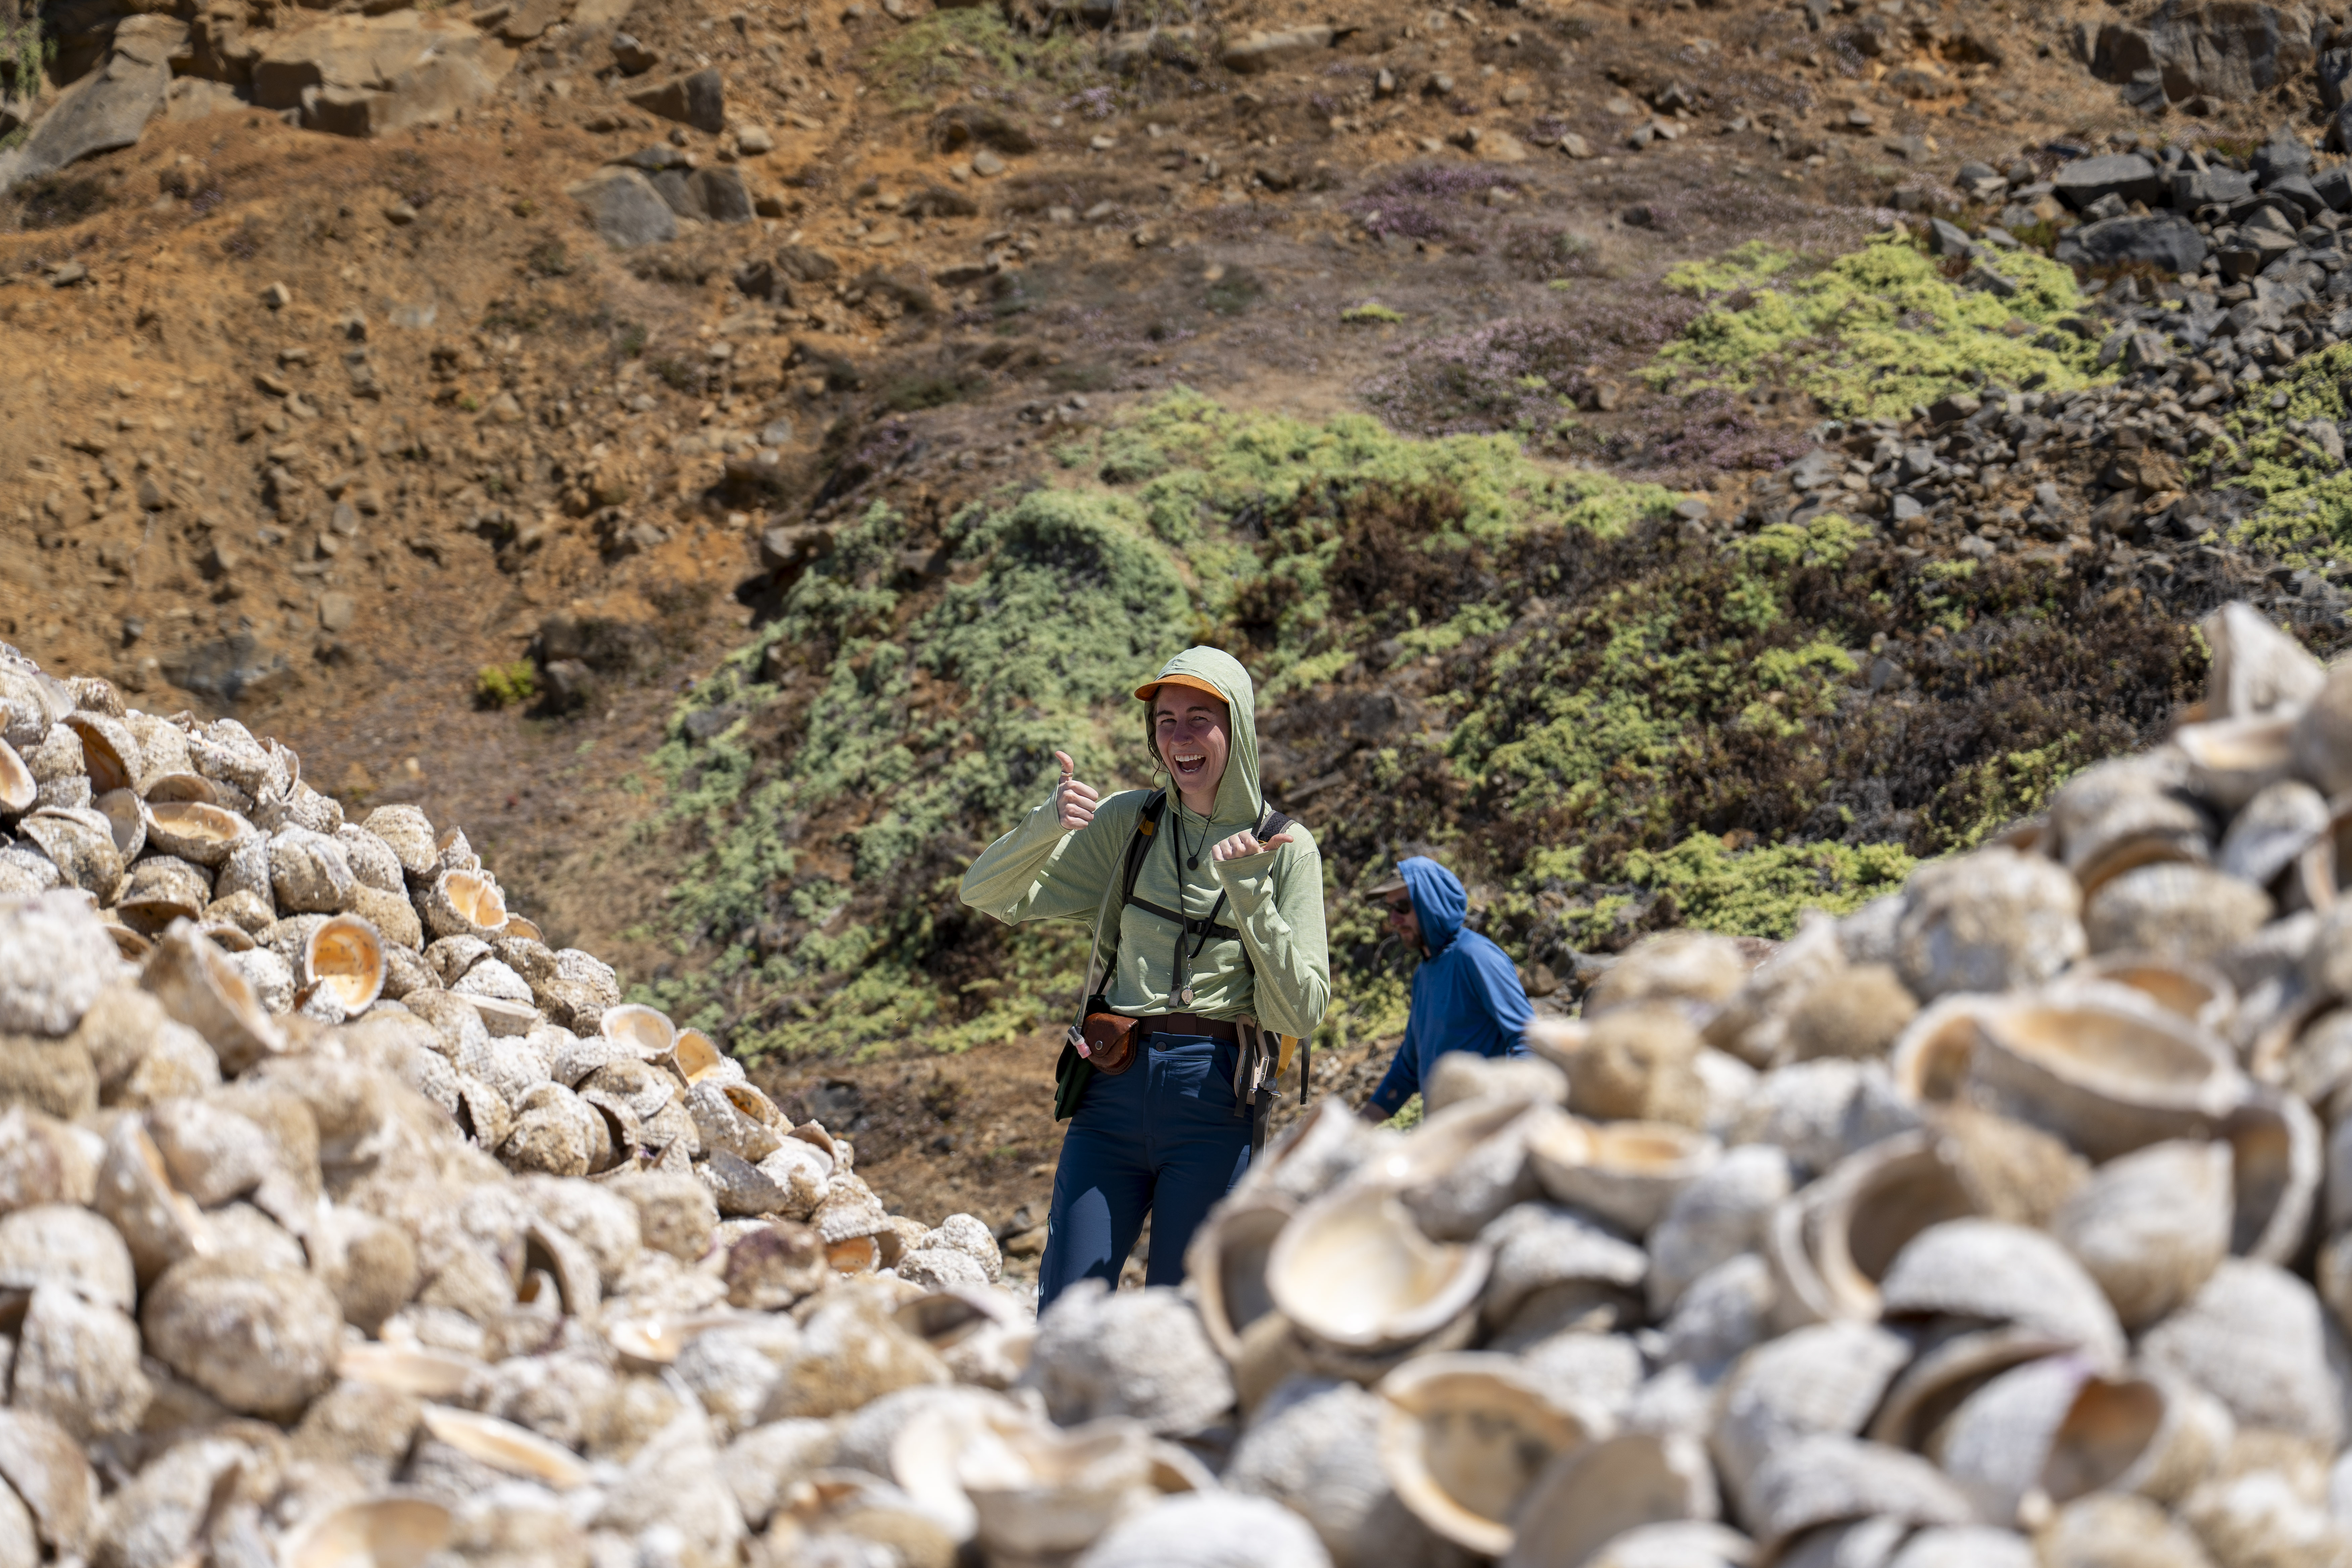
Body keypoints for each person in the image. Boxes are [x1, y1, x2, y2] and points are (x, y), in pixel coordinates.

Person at [959, 647, 1331, 1307]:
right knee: (1065, 1312)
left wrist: (1252, 898)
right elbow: (987, 891)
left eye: (1199, 718)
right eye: (1165, 721)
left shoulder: (1287, 848)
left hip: (1217, 1101)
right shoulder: (1133, 821)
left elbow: (1301, 1013)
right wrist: (1046, 825)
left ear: (1237, 727)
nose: (1180, 739)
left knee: (1183, 1317)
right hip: (1111, 1090)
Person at [1361, 856, 1532, 1122]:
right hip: (1447, 1136)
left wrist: (1504, 1117)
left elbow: (1528, 1039)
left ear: (1431, 905)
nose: (1394, 919)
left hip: (1482, 1132)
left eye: (1403, 907)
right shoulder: (1424, 973)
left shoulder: (1476, 956)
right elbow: (1408, 1069)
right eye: (1390, 908)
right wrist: (1355, 1129)